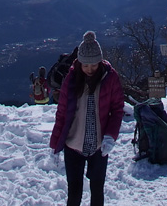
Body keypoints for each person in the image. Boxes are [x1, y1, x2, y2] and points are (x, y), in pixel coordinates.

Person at [49, 31, 125, 206]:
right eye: (86, 66)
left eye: (94, 65)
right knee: (74, 194)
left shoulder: (110, 78)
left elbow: (117, 109)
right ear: (80, 63)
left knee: (97, 192)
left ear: (100, 62)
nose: (90, 69)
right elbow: (62, 113)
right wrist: (55, 144)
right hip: (73, 145)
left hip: (99, 147)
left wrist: (110, 136)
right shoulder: (71, 79)